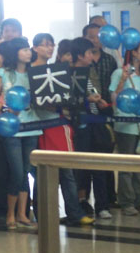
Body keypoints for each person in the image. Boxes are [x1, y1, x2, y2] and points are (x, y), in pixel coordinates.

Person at [31, 33, 93, 226]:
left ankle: (73, 212)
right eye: (45, 45)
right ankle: (42, 214)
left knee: (66, 170)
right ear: (35, 48)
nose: (49, 48)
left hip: (56, 122)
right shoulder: (30, 71)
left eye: (51, 45)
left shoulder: (58, 70)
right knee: (41, 173)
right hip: (34, 126)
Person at [0, 38, 40, 229]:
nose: (28, 52)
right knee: (17, 171)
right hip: (11, 127)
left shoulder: (33, 73)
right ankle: (10, 213)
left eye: (29, 49)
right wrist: (7, 108)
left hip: (32, 126)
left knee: (26, 171)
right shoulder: (3, 73)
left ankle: (22, 214)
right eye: (24, 49)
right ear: (15, 52)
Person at [109, 41, 140, 216]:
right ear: (134, 53)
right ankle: (127, 202)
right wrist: (122, 80)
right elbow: (114, 96)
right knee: (126, 166)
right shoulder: (120, 72)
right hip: (126, 126)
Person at [70, 37, 113, 220]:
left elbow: (96, 92)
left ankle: (102, 205)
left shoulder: (91, 70)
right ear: (80, 55)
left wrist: (99, 100)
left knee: (99, 164)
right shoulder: (69, 73)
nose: (92, 56)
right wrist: (87, 100)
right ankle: (81, 202)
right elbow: (69, 100)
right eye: (89, 53)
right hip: (80, 124)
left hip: (96, 120)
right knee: (81, 166)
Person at [83, 23, 118, 210]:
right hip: (88, 115)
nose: (95, 40)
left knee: (106, 157)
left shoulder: (110, 60)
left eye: (98, 37)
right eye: (91, 37)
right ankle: (86, 200)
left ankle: (109, 198)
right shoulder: (82, 65)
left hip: (106, 111)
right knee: (88, 161)